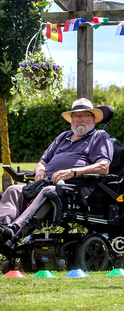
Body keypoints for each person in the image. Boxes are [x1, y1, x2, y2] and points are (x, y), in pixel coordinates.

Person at [0, 98, 114, 243]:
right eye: (76, 116)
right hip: (47, 183)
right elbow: (42, 162)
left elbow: (103, 167)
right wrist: (40, 171)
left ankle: (14, 230)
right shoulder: (62, 137)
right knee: (13, 190)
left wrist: (72, 172)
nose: (80, 120)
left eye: (85, 115)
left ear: (94, 119)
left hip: (76, 189)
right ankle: (2, 228)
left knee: (49, 191)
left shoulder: (99, 136)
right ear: (71, 119)